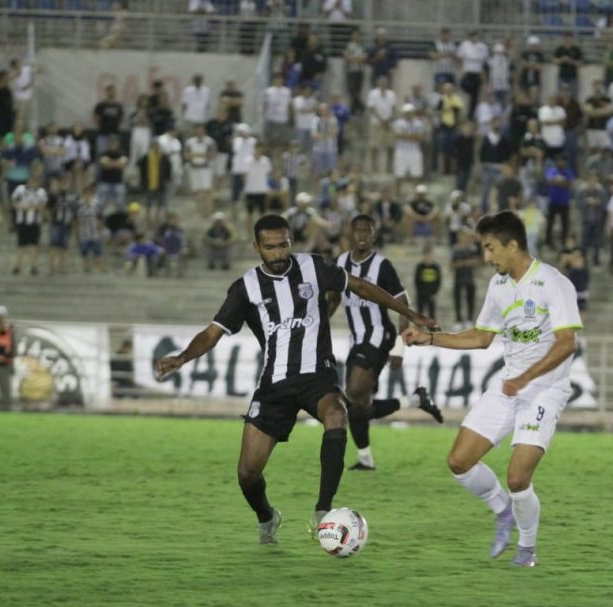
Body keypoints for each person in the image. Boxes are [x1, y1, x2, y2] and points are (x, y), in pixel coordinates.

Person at [155, 213, 437, 544]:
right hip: (275, 383)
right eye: (270, 247)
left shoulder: (313, 267)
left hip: (317, 373)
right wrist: (183, 357)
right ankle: (267, 516)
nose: (278, 254)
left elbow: (360, 286)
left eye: (284, 245)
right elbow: (213, 332)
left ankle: (323, 512)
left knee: (337, 413)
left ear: (291, 241)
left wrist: (408, 314)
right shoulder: (245, 288)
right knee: (247, 474)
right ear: (257, 246)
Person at [402, 211, 582, 568]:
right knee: (459, 461)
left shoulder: (552, 282)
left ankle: (527, 549)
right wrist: (430, 338)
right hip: (509, 384)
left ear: (513, 246)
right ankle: (503, 512)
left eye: (490, 248)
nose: (485, 257)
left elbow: (566, 343)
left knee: (518, 477)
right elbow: (482, 337)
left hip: (544, 389)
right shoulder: (499, 286)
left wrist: (527, 378)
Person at [327, 215, 443, 471]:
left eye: (367, 232)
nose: (362, 236)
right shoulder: (341, 262)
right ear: (350, 233)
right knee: (357, 406)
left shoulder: (382, 266)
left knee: (354, 394)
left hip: (380, 336)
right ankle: (368, 455)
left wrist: (399, 347)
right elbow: (334, 298)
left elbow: (402, 304)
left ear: (374, 235)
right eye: (357, 231)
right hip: (357, 339)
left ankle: (413, 401)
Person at [11, 174, 47, 276]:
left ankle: (34, 266)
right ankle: (17, 266)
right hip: (22, 221)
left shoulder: (41, 192)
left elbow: (43, 206)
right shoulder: (20, 189)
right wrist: (23, 206)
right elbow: (13, 202)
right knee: (21, 245)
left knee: (34, 245)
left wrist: (35, 207)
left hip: (35, 222)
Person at [414, 245, 442, 320]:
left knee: (432, 314)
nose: (428, 257)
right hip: (421, 294)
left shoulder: (436, 267)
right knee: (419, 313)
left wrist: (434, 292)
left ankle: (432, 330)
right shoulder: (419, 267)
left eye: (430, 255)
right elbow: (416, 281)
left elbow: (438, 281)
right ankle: (419, 329)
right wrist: (420, 291)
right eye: (426, 255)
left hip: (431, 294)